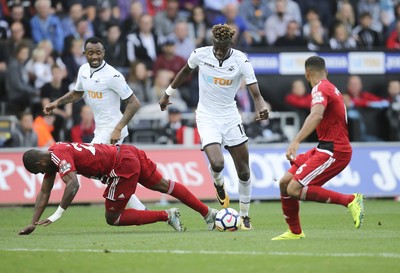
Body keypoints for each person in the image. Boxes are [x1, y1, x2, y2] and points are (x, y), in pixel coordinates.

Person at [159, 24, 269, 230]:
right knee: (217, 163)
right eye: (216, 46)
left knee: (244, 172)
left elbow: (254, 90)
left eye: (223, 47)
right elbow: (184, 72)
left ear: (231, 44)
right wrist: (167, 93)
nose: (218, 50)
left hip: (230, 117)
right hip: (207, 116)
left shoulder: (241, 59)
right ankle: (219, 184)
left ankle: (244, 216)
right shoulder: (200, 54)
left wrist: (260, 104)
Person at [18, 142, 218, 235]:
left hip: (120, 167)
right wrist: (33, 222)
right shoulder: (54, 152)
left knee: (112, 218)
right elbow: (45, 192)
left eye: (37, 173)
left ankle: (167, 215)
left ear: (39, 165)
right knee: (165, 185)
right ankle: (208, 213)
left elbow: (73, 185)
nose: (41, 176)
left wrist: (57, 214)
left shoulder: (57, 157)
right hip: (128, 152)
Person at [43, 37, 146, 211]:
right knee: (104, 173)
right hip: (101, 129)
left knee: (90, 166)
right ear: (85, 54)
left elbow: (134, 103)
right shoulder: (83, 70)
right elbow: (77, 93)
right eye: (91, 53)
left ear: (103, 53)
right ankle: (140, 207)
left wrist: (118, 129)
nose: (95, 56)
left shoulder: (113, 75)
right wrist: (56, 103)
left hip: (112, 129)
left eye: (98, 52)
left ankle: (137, 205)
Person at [271, 56, 365, 241]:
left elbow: (316, 115)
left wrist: (296, 140)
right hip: (323, 147)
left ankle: (351, 200)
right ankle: (295, 232)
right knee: (284, 183)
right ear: (326, 71)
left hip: (334, 151)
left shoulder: (320, 88)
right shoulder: (330, 87)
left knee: (294, 189)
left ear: (307, 74)